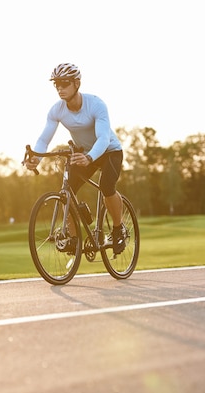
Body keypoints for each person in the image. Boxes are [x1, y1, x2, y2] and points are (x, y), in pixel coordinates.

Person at [25, 63, 127, 254]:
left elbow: (103, 138)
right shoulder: (56, 110)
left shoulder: (96, 104)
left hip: (109, 151)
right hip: (83, 153)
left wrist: (90, 157)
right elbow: (43, 140)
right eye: (57, 85)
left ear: (77, 83)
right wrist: (36, 159)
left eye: (64, 83)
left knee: (106, 187)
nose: (60, 89)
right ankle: (73, 237)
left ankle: (118, 228)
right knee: (67, 191)